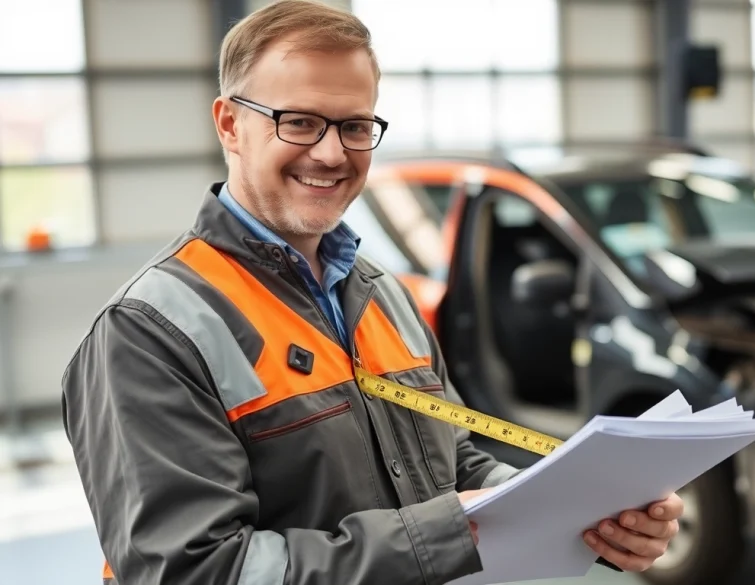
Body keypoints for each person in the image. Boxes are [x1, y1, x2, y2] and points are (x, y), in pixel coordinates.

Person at [60, 1, 683, 583]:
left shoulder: (384, 296)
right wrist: (443, 533)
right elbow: (197, 570)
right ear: (230, 125)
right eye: (299, 122)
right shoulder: (149, 331)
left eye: (355, 126)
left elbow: (455, 466)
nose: (332, 154)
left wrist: (589, 514)